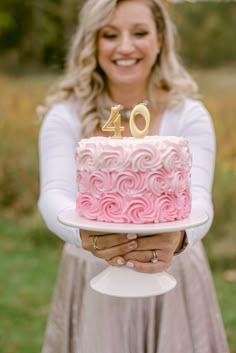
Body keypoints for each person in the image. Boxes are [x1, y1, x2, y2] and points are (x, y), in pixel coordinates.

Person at [38, 0, 229, 352]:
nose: (125, 47)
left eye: (139, 32)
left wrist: (180, 239)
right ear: (92, 42)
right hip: (90, 270)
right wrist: (85, 236)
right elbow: (52, 194)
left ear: (159, 40)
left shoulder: (189, 114)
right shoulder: (65, 115)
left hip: (175, 272)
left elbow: (200, 197)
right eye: (110, 34)